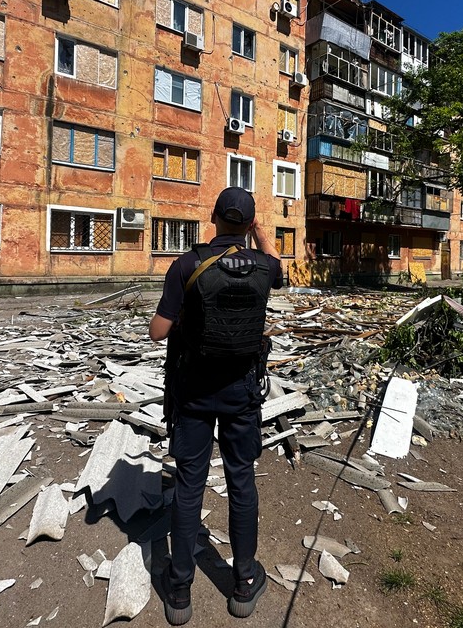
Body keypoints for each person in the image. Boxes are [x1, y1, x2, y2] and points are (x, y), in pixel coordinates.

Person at [149, 187, 282, 625]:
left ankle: (181, 591)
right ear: (248, 223)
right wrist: (259, 231)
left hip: (193, 392)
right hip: (242, 392)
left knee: (190, 485)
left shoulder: (187, 264)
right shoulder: (264, 267)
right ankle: (243, 584)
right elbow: (280, 268)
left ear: (212, 217)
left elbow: (157, 332)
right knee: (242, 480)